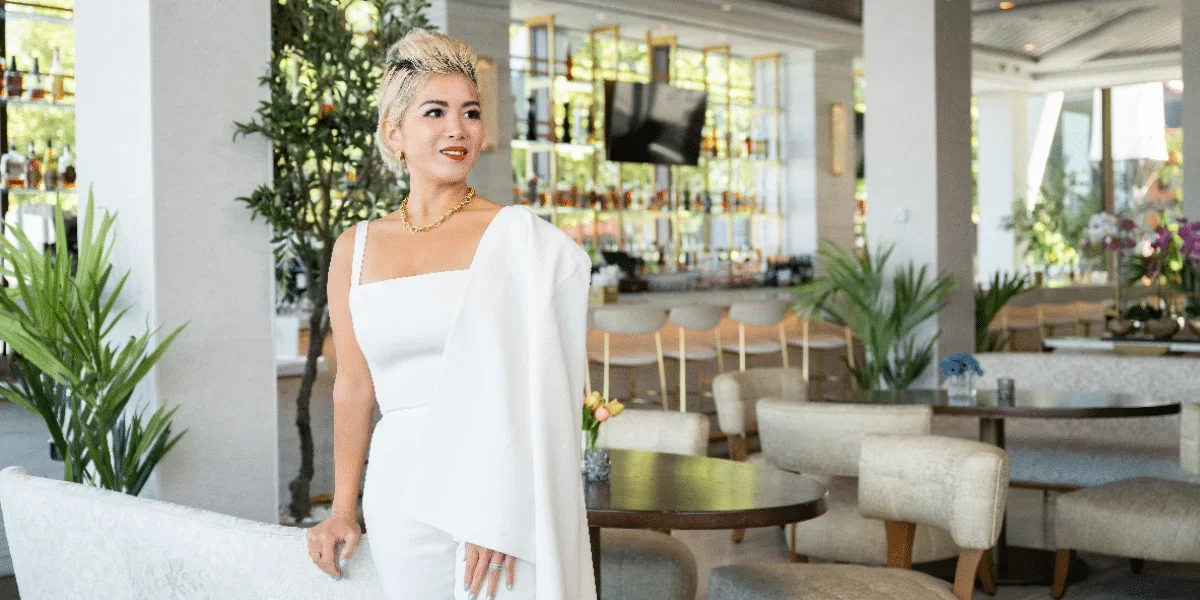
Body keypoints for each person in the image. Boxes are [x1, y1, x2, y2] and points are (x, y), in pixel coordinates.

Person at [305, 30, 596, 600]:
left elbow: (541, 388)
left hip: (497, 483)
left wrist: (505, 507)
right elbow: (354, 386)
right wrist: (343, 508)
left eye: (470, 112)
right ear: (395, 132)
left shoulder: (517, 238)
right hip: (399, 488)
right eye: (434, 112)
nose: (457, 130)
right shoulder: (355, 247)